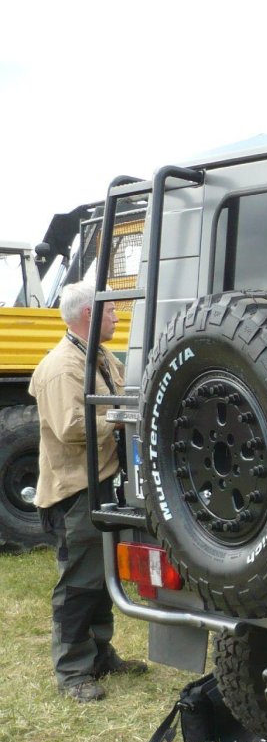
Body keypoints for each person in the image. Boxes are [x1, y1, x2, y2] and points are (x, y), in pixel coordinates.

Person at [29, 281, 146, 701]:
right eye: (111, 310)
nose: (117, 316)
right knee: (79, 582)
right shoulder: (63, 367)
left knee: (100, 576)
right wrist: (120, 417)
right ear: (89, 315)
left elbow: (117, 396)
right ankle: (73, 672)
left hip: (98, 483)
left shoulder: (96, 356)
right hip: (75, 491)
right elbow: (71, 427)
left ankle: (98, 655)